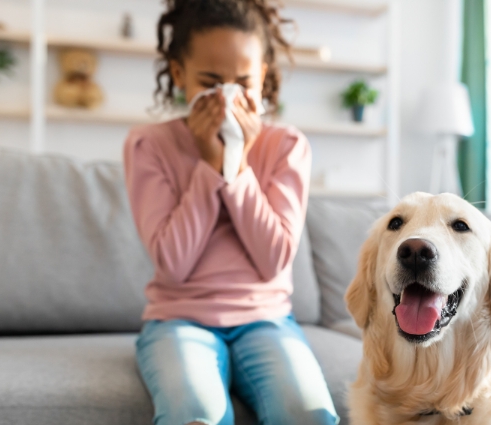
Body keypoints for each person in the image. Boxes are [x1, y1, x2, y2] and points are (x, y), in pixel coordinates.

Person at [122, 1, 338, 424]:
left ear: (264, 80)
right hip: (179, 320)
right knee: (195, 413)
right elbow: (172, 264)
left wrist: (236, 165)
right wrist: (207, 165)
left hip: (267, 320)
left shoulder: (287, 147)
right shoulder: (149, 146)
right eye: (210, 80)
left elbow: (274, 258)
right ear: (179, 74)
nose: (227, 95)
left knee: (308, 414)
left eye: (243, 82)